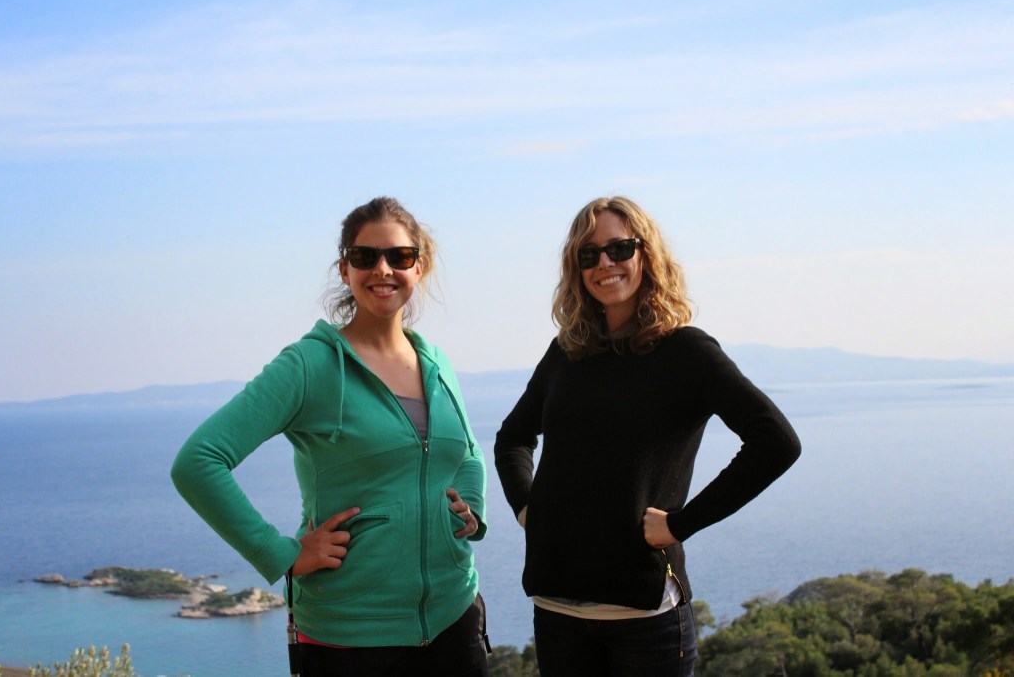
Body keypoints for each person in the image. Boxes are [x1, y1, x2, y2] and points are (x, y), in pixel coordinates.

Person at [171, 197, 489, 676]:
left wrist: (469, 507)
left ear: (418, 267)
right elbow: (198, 461)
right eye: (365, 257)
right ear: (345, 269)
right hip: (350, 634)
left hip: (454, 616)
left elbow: (465, 452)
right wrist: (280, 553)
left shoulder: (436, 363)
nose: (382, 269)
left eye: (399, 257)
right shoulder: (309, 365)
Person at [494, 196, 801, 676]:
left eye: (619, 248)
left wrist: (682, 523)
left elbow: (776, 442)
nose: (605, 264)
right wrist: (528, 508)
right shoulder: (568, 351)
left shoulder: (687, 352)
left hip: (645, 617)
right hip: (557, 611)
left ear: (647, 255)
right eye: (588, 254)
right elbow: (513, 437)